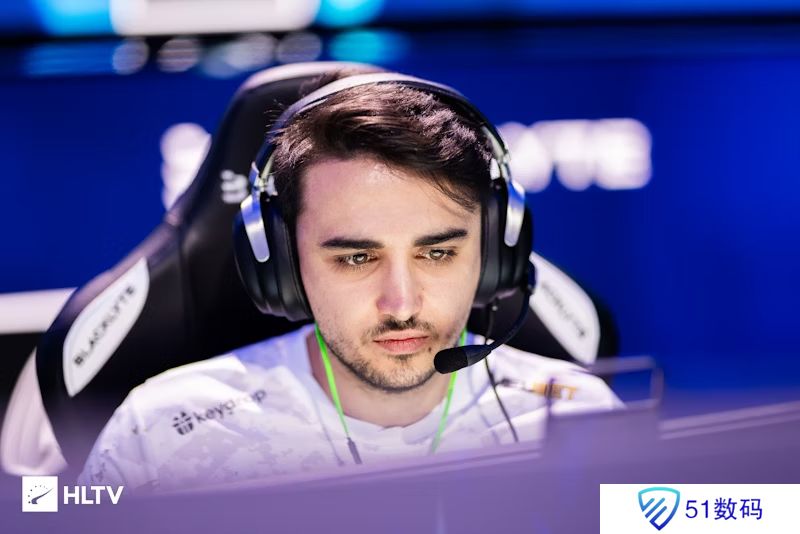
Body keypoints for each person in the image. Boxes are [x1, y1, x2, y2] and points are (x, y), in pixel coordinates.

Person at [78, 69, 620, 493]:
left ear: (496, 252)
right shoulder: (160, 436)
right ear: (281, 263)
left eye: (437, 253)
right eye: (357, 258)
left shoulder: (580, 418)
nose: (401, 304)